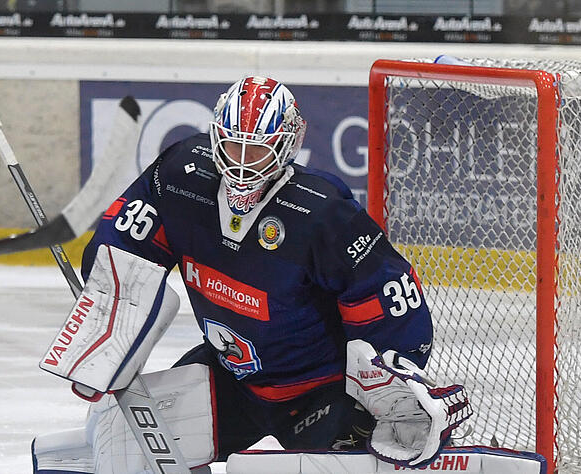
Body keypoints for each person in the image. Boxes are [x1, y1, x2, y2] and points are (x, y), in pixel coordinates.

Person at [32, 76, 471, 474]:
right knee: (120, 443)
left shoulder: (321, 211)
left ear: (285, 146)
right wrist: (105, 319)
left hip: (321, 394)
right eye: (233, 146)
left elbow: (392, 303)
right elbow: (123, 246)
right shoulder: (181, 175)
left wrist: (387, 383)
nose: (242, 164)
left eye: (257, 149)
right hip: (233, 379)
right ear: (216, 137)